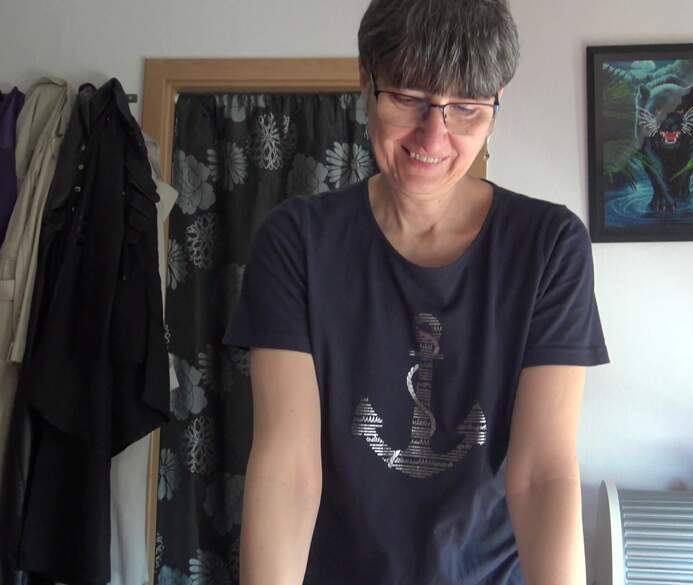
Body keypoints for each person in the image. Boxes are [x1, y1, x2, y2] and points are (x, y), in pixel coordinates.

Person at [223, 0, 609, 583]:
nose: (435, 135)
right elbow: (288, 470)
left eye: (466, 108)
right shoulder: (296, 242)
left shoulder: (550, 245)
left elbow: (541, 475)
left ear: (496, 103)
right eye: (408, 98)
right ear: (366, 79)